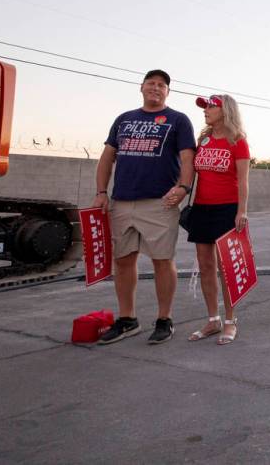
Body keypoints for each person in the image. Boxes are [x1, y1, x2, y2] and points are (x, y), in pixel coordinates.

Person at [94, 69, 196, 345]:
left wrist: (184, 188)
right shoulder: (124, 119)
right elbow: (107, 157)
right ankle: (128, 320)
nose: (155, 88)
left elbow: (188, 160)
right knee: (124, 261)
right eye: (151, 83)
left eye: (161, 85)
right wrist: (102, 192)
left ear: (167, 92)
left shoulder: (178, 120)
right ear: (141, 87)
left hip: (160, 202)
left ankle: (164, 319)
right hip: (122, 202)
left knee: (162, 261)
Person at [186, 94, 252, 345]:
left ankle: (229, 321)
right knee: (205, 267)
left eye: (211, 107)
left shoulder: (238, 141)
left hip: (227, 210)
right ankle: (213, 319)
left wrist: (241, 211)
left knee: (227, 270)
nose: (206, 111)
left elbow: (243, 180)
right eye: (205, 107)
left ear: (226, 111)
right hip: (202, 208)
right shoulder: (202, 139)